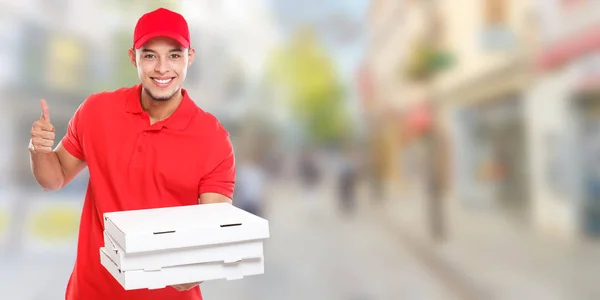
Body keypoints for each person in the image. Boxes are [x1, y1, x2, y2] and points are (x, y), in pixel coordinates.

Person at [28, 8, 235, 300]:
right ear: (133, 57)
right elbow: (54, 177)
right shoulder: (96, 111)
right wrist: (39, 150)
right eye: (150, 55)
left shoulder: (213, 139)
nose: (162, 68)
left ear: (190, 57)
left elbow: (215, 229)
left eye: (174, 55)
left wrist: (197, 266)